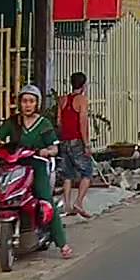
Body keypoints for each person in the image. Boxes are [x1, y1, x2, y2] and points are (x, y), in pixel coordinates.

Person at [0, 84, 72, 259]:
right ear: (20, 103)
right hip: (13, 165)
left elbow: (54, 148)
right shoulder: (13, 122)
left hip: (36, 166)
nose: (28, 105)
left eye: (31, 101)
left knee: (46, 200)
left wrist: (47, 151)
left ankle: (62, 244)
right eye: (24, 101)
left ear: (37, 104)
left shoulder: (44, 124)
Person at [58, 72, 94, 218]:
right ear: (84, 85)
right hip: (77, 140)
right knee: (87, 172)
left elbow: (59, 122)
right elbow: (82, 122)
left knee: (67, 175)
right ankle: (78, 202)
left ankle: (66, 206)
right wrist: (86, 144)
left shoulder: (62, 100)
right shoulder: (82, 100)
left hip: (64, 140)